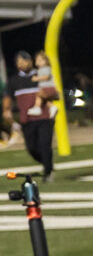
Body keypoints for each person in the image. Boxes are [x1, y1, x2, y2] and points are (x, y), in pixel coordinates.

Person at [10, 49, 57, 179]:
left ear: (31, 61)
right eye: (18, 61)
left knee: (44, 144)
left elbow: (55, 93)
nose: (21, 63)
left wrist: (47, 95)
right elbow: (8, 97)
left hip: (44, 117)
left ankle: (48, 173)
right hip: (27, 119)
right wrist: (6, 111)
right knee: (31, 148)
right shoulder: (14, 80)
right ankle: (48, 164)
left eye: (23, 60)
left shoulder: (40, 73)